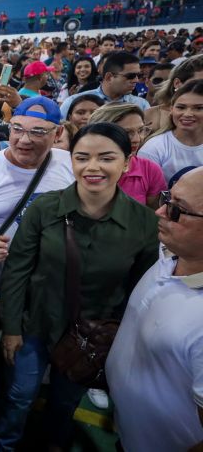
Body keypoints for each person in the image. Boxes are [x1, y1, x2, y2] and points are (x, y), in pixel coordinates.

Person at [0, 123, 159, 452]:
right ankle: (4, 443)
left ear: (127, 163)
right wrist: (11, 328)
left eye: (106, 158)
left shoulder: (144, 223)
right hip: (35, 325)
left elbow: (140, 292)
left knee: (65, 399)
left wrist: (120, 340)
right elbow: (17, 271)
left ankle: (55, 442)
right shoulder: (44, 208)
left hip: (92, 336)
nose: (92, 167)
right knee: (20, 395)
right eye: (82, 157)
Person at [0, 97, 75, 347]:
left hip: (48, 289)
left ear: (58, 133)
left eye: (37, 132)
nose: (24, 140)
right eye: (17, 129)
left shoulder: (70, 165)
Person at [106, 168, 203, 452]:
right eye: (167, 199)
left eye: (177, 210)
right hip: (130, 431)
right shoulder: (168, 254)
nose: (160, 212)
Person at [88, 103, 165, 207]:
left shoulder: (149, 170)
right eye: (127, 132)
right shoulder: (79, 167)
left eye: (140, 130)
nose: (137, 139)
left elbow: (154, 213)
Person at [140, 79, 203, 183]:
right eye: (181, 107)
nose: (187, 114)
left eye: (199, 108)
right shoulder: (153, 148)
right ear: (171, 109)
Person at [60, 52, 149, 118]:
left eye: (138, 75)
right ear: (109, 77)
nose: (136, 80)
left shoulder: (141, 105)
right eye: (131, 76)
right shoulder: (73, 102)